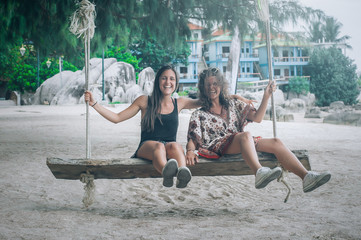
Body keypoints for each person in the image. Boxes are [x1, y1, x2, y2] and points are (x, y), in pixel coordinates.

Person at [84, 65, 252, 189]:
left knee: (175, 145)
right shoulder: (144, 101)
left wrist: (234, 97)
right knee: (159, 146)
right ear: (158, 81)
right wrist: (94, 104)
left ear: (176, 83)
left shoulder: (179, 102)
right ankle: (166, 171)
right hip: (147, 147)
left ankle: (182, 174)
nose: (168, 82)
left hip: (170, 148)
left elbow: (210, 97)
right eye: (164, 78)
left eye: (172, 79)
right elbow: (117, 117)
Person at [185, 67, 331, 193]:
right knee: (245, 136)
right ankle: (258, 172)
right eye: (208, 84)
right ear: (203, 88)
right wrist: (190, 151)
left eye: (215, 83)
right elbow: (193, 138)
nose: (212, 87)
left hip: (241, 141)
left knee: (275, 142)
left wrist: (266, 96)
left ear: (222, 86)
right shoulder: (199, 114)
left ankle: (306, 177)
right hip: (217, 146)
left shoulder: (233, 104)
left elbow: (258, 117)